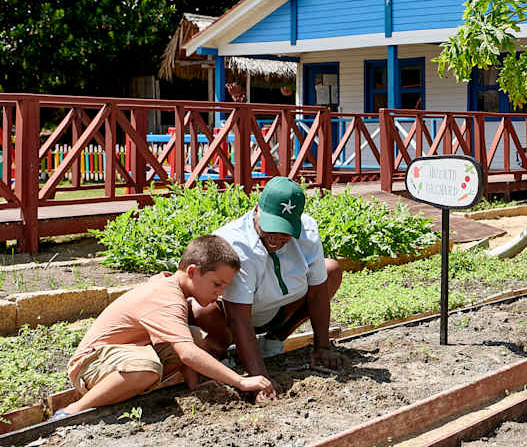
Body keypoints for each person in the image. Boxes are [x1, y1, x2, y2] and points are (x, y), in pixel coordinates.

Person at [52, 235, 274, 421]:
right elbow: (187, 354)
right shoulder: (167, 298)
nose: (220, 293)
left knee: (194, 335)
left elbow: (184, 344)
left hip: (119, 356)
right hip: (90, 365)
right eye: (217, 284)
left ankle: (128, 388)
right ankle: (74, 410)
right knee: (148, 367)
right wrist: (241, 381)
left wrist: (195, 387)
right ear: (192, 271)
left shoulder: (172, 287)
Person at [192, 176, 343, 400]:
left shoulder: (308, 232)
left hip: (280, 310)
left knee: (330, 270)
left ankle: (273, 340)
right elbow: (239, 317)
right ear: (256, 209)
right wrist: (259, 378)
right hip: (234, 318)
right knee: (203, 310)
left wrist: (322, 347)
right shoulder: (235, 244)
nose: (277, 238)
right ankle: (223, 353)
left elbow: (319, 292)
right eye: (271, 228)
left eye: (285, 231)